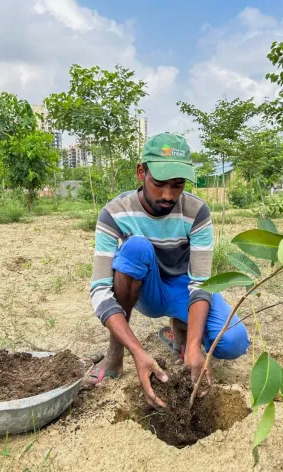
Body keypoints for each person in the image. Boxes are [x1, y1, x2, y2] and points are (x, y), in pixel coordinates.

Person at [85, 132, 250, 408]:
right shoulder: (114, 213)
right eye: (159, 183)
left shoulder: (197, 211)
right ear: (141, 172)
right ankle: (115, 353)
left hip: (182, 290)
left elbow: (201, 284)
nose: (168, 195)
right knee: (136, 248)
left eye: (178, 185)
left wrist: (196, 345)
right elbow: (100, 290)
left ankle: (183, 333)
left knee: (234, 341)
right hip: (146, 290)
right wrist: (137, 352)